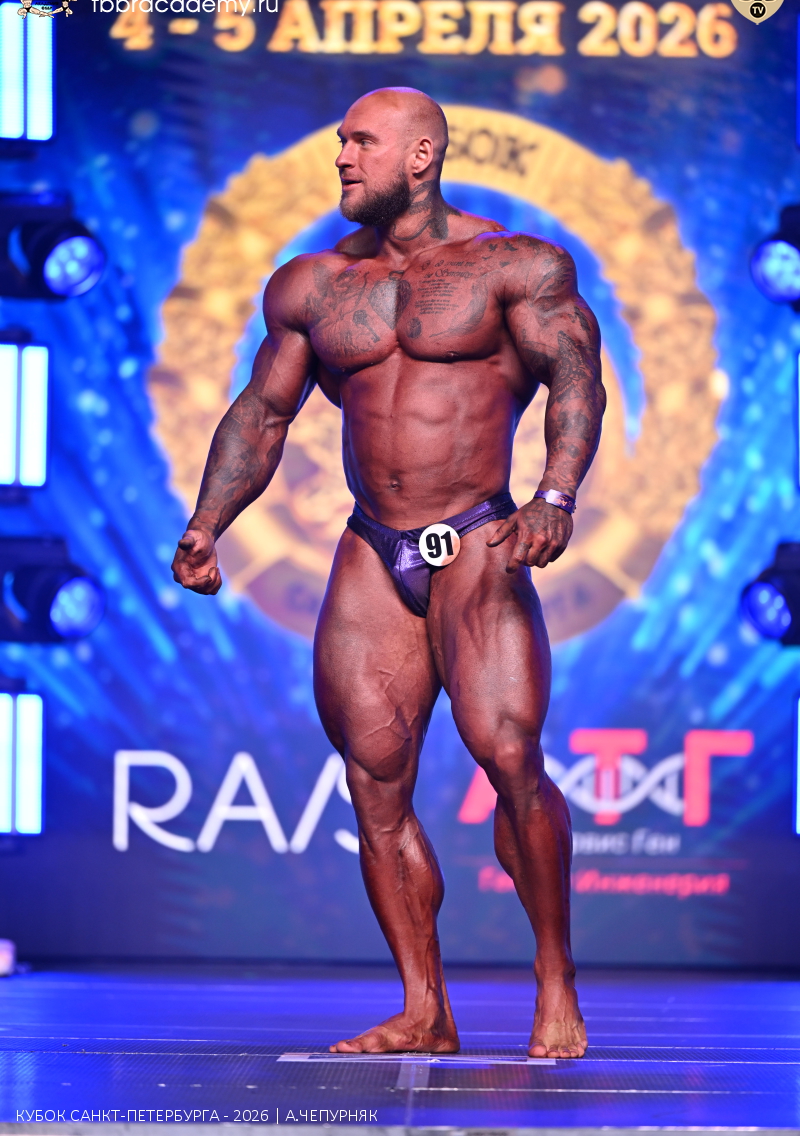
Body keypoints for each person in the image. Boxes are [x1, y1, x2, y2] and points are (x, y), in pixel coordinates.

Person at [172, 87, 605, 1059]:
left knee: (508, 757)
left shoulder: (516, 265)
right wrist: (207, 524)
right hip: (374, 544)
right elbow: (263, 414)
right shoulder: (313, 286)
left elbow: (575, 378)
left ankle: (554, 978)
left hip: (480, 535)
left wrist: (555, 495)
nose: (342, 158)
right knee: (373, 783)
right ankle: (423, 1007)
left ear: (420, 156)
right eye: (340, 142)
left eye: (361, 142)